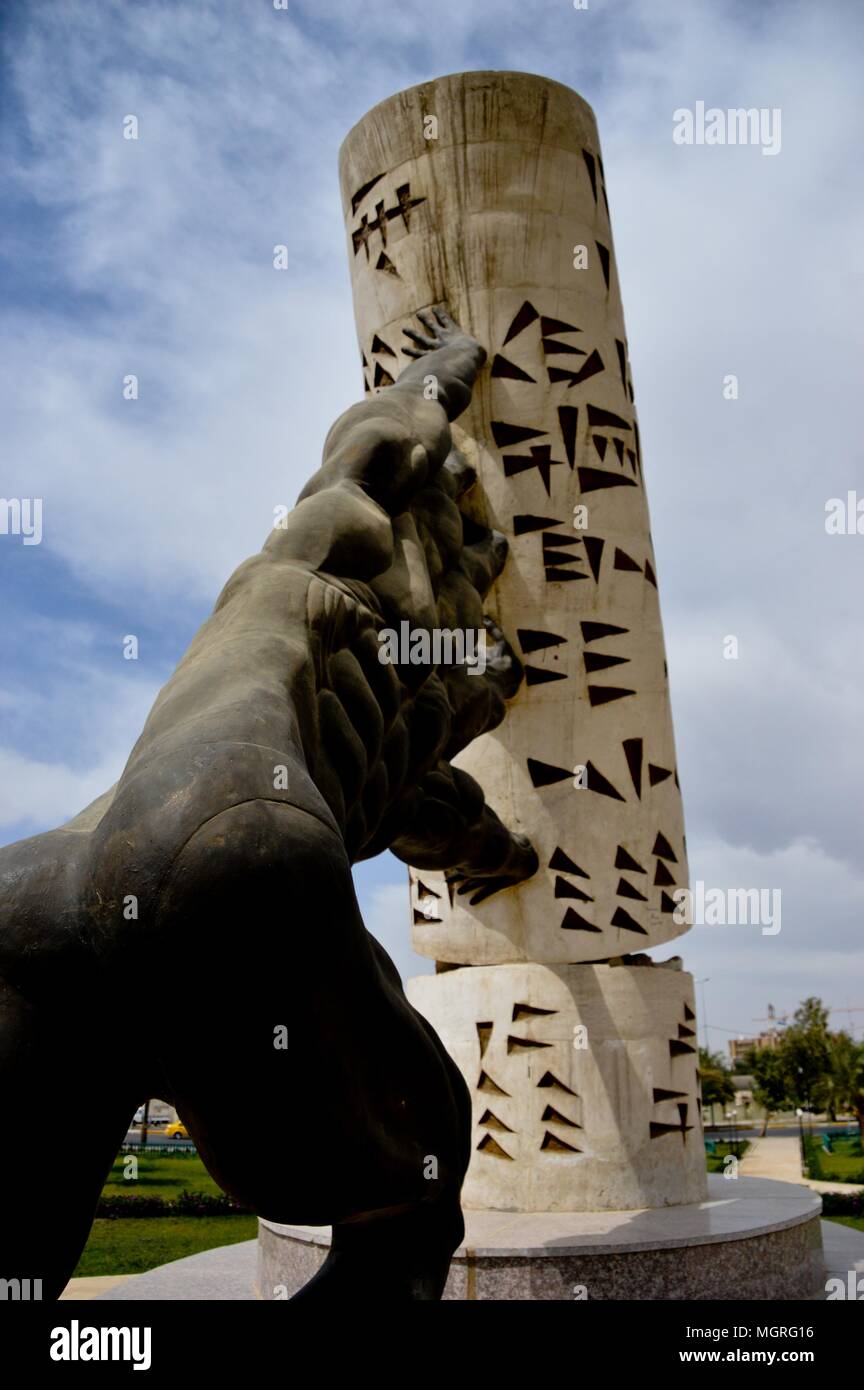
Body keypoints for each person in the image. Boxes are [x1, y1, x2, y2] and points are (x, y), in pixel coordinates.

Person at [0, 308, 537, 1300]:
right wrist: (452, 358)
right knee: (413, 1201)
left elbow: (451, 817)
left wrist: (495, 854)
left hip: (42, 884)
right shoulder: (340, 545)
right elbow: (383, 439)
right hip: (235, 842)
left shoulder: (326, 593)